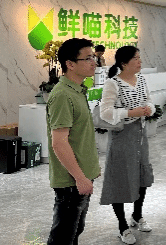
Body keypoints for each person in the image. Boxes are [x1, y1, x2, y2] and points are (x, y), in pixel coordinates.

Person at [46, 38, 102, 244]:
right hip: (71, 181)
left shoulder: (77, 90)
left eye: (93, 57)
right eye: (87, 58)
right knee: (63, 238)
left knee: (75, 231)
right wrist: (80, 178)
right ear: (70, 64)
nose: (94, 62)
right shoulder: (62, 95)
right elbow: (59, 143)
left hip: (81, 176)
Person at [98, 46, 155, 245]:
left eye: (140, 58)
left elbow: (150, 100)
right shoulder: (112, 83)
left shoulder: (142, 80)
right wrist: (131, 113)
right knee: (120, 179)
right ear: (124, 63)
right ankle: (122, 226)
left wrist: (149, 109)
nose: (140, 62)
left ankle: (137, 216)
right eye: (136, 59)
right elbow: (105, 112)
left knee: (141, 176)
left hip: (140, 135)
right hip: (122, 137)